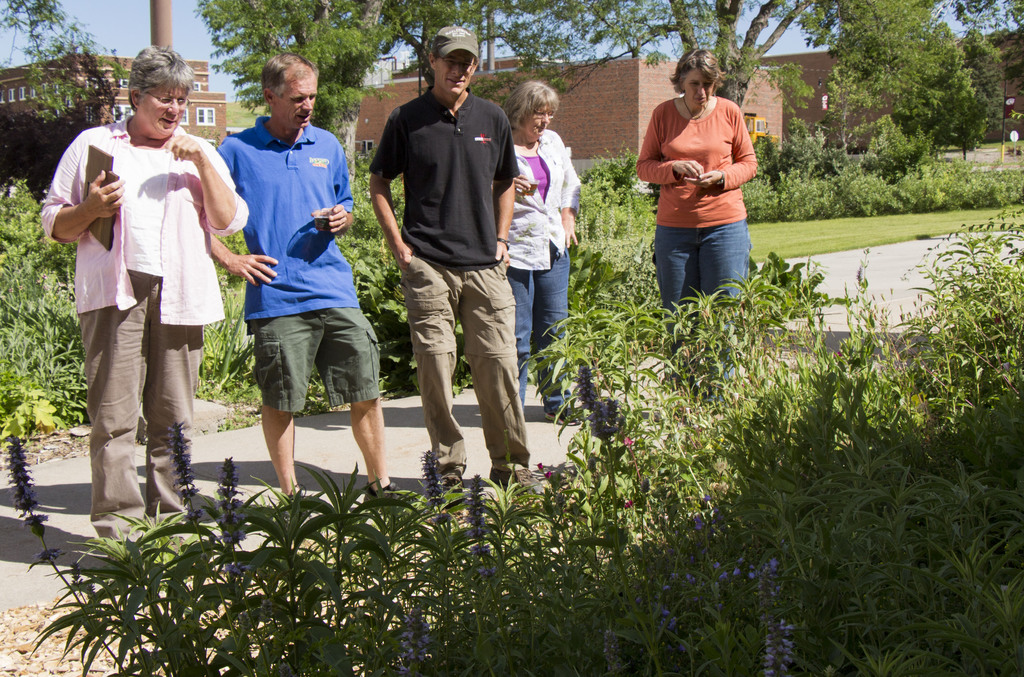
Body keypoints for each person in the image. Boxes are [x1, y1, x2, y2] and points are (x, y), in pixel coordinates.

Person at [40, 46, 249, 538]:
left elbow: (230, 222)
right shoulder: (96, 144)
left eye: (182, 99)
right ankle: (119, 530)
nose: (175, 110)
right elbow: (55, 223)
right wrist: (90, 207)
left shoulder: (198, 152)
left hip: (181, 292)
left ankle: (173, 523)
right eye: (164, 98)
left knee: (173, 417)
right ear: (136, 96)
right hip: (117, 293)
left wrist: (200, 156)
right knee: (113, 417)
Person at [368, 26, 540, 493]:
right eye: (450, 60)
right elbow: (379, 181)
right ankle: (447, 468)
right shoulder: (407, 118)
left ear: (475, 65)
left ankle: (511, 467)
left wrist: (502, 239)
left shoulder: (493, 117)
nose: (458, 68)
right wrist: (398, 245)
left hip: (485, 264)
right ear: (432, 61)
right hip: (428, 264)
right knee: (435, 366)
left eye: (466, 61)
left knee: (500, 364)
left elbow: (506, 180)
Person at [214, 53, 390, 496]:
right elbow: (195, 217)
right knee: (281, 399)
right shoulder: (235, 151)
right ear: (270, 96)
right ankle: (291, 496)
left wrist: (342, 217)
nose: (307, 105)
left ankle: (379, 483)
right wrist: (231, 259)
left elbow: (347, 201)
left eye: (312, 96)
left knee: (365, 386)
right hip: (276, 296)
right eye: (297, 97)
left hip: (334, 288)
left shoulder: (328, 145)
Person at [636, 49, 757, 312]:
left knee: (724, 314)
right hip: (675, 231)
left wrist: (723, 177)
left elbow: (749, 164)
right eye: (694, 84)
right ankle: (682, 356)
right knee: (679, 317)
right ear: (680, 81)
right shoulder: (663, 114)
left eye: (708, 84)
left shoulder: (729, 111)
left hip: (725, 227)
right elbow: (644, 168)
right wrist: (673, 168)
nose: (701, 91)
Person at [501, 81, 581, 425]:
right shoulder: (500, 144)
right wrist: (504, 185)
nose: (545, 120)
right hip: (515, 250)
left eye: (550, 113)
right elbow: (480, 190)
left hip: (552, 247)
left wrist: (568, 217)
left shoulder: (552, 142)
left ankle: (557, 402)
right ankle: (512, 410)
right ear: (520, 111)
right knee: (517, 335)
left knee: (554, 330)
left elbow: (571, 183)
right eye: (539, 113)